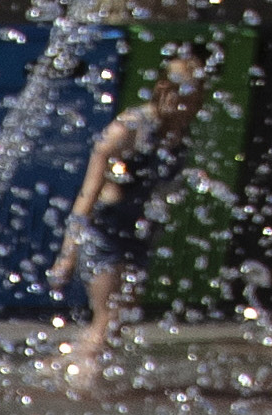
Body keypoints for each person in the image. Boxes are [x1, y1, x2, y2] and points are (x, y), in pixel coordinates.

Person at [64, 49, 208, 397]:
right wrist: (68, 251)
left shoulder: (179, 135)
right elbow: (89, 191)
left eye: (196, 92)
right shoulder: (129, 128)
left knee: (119, 318)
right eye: (182, 91)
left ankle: (67, 369)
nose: (189, 102)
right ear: (162, 90)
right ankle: (83, 392)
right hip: (105, 233)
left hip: (138, 235)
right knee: (108, 315)